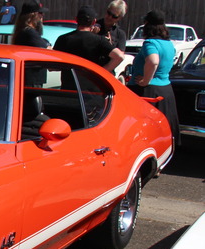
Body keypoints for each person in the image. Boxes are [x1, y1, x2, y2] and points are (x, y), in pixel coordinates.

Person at [129, 10, 180, 145]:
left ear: (147, 24)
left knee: (145, 136)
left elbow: (153, 61)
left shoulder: (150, 43)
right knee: (163, 132)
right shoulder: (169, 44)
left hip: (148, 91)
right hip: (166, 91)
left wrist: (146, 80)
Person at [53, 6, 123, 72]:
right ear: (93, 22)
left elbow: (52, 67)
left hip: (70, 83)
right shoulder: (99, 40)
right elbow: (119, 56)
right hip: (92, 82)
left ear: (76, 19)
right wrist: (101, 72)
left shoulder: (63, 39)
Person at [94, 0, 127, 70]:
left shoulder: (120, 34)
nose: (109, 17)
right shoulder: (94, 25)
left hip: (106, 70)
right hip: (90, 66)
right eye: (109, 13)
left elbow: (120, 57)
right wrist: (92, 34)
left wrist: (109, 45)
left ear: (119, 18)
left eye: (114, 16)